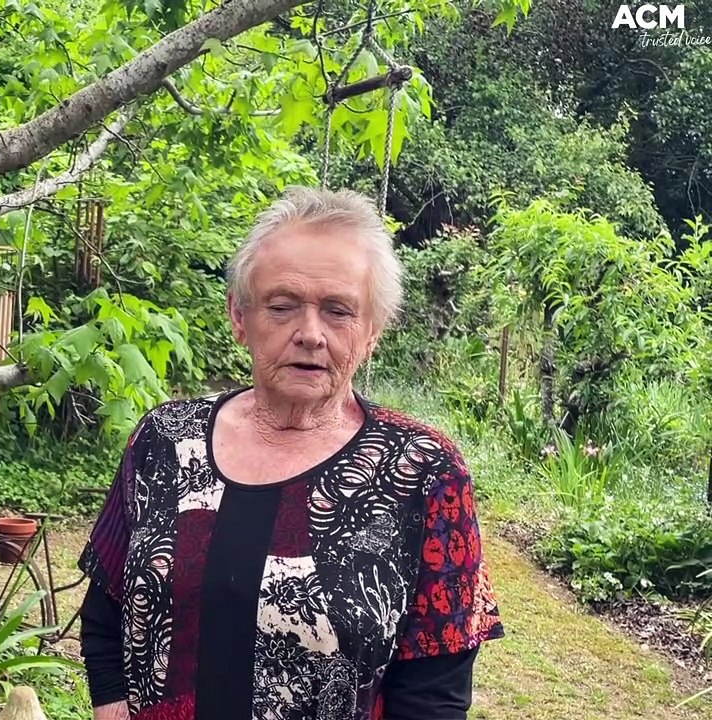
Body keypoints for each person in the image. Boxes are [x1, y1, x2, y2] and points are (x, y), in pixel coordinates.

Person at [77, 186, 504, 720]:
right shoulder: (165, 440)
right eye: (282, 306)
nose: (310, 334)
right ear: (239, 316)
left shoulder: (422, 470)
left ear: (371, 332)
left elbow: (435, 690)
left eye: (338, 311)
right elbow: (107, 606)